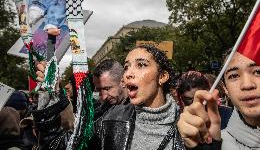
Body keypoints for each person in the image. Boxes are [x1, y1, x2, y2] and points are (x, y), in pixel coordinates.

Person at [34, 45, 211, 149]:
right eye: (126, 67)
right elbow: (60, 145)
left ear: (162, 76)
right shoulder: (111, 120)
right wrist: (51, 92)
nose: (128, 74)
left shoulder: (189, 124)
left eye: (141, 65)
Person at [178, 52, 260, 149]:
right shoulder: (217, 143)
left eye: (258, 72)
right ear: (225, 89)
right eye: (234, 75)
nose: (247, 85)